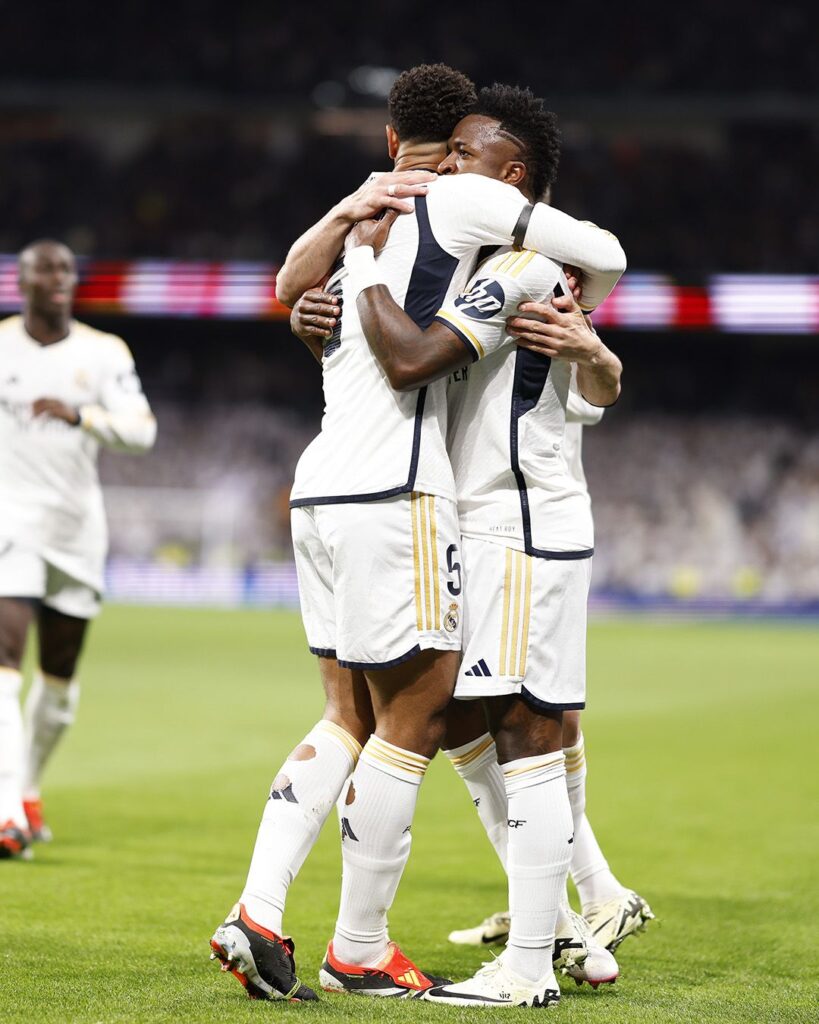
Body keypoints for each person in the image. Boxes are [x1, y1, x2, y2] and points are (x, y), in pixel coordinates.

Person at [209, 63, 625, 1002]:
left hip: (317, 485)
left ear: (389, 144)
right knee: (423, 721)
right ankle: (361, 947)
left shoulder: (362, 217)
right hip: (400, 491)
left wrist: (347, 243)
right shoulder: (461, 213)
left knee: (348, 715)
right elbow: (599, 253)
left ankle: (259, 909)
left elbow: (285, 285)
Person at [341, 84, 623, 1008]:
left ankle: (533, 965)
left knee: (525, 734)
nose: (444, 169)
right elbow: (587, 394)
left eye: (462, 156)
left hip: (520, 523)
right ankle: (581, 922)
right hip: (505, 522)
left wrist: (365, 266)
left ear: (510, 179)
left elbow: (418, 360)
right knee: (502, 732)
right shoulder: (496, 276)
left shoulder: (523, 273)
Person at [446, 391, 655, 955]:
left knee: (522, 714)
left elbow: (594, 385)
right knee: (485, 711)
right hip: (501, 514)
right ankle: (564, 897)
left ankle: (573, 903)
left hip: (523, 519)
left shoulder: (531, 304)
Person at [0, 239, 156, 859]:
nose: (59, 277)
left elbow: (143, 433)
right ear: (24, 281)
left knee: (58, 686)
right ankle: (7, 811)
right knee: (5, 667)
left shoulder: (103, 352)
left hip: (77, 531)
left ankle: (28, 790)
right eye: (47, 269)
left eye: (66, 268)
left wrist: (82, 416)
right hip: (12, 525)